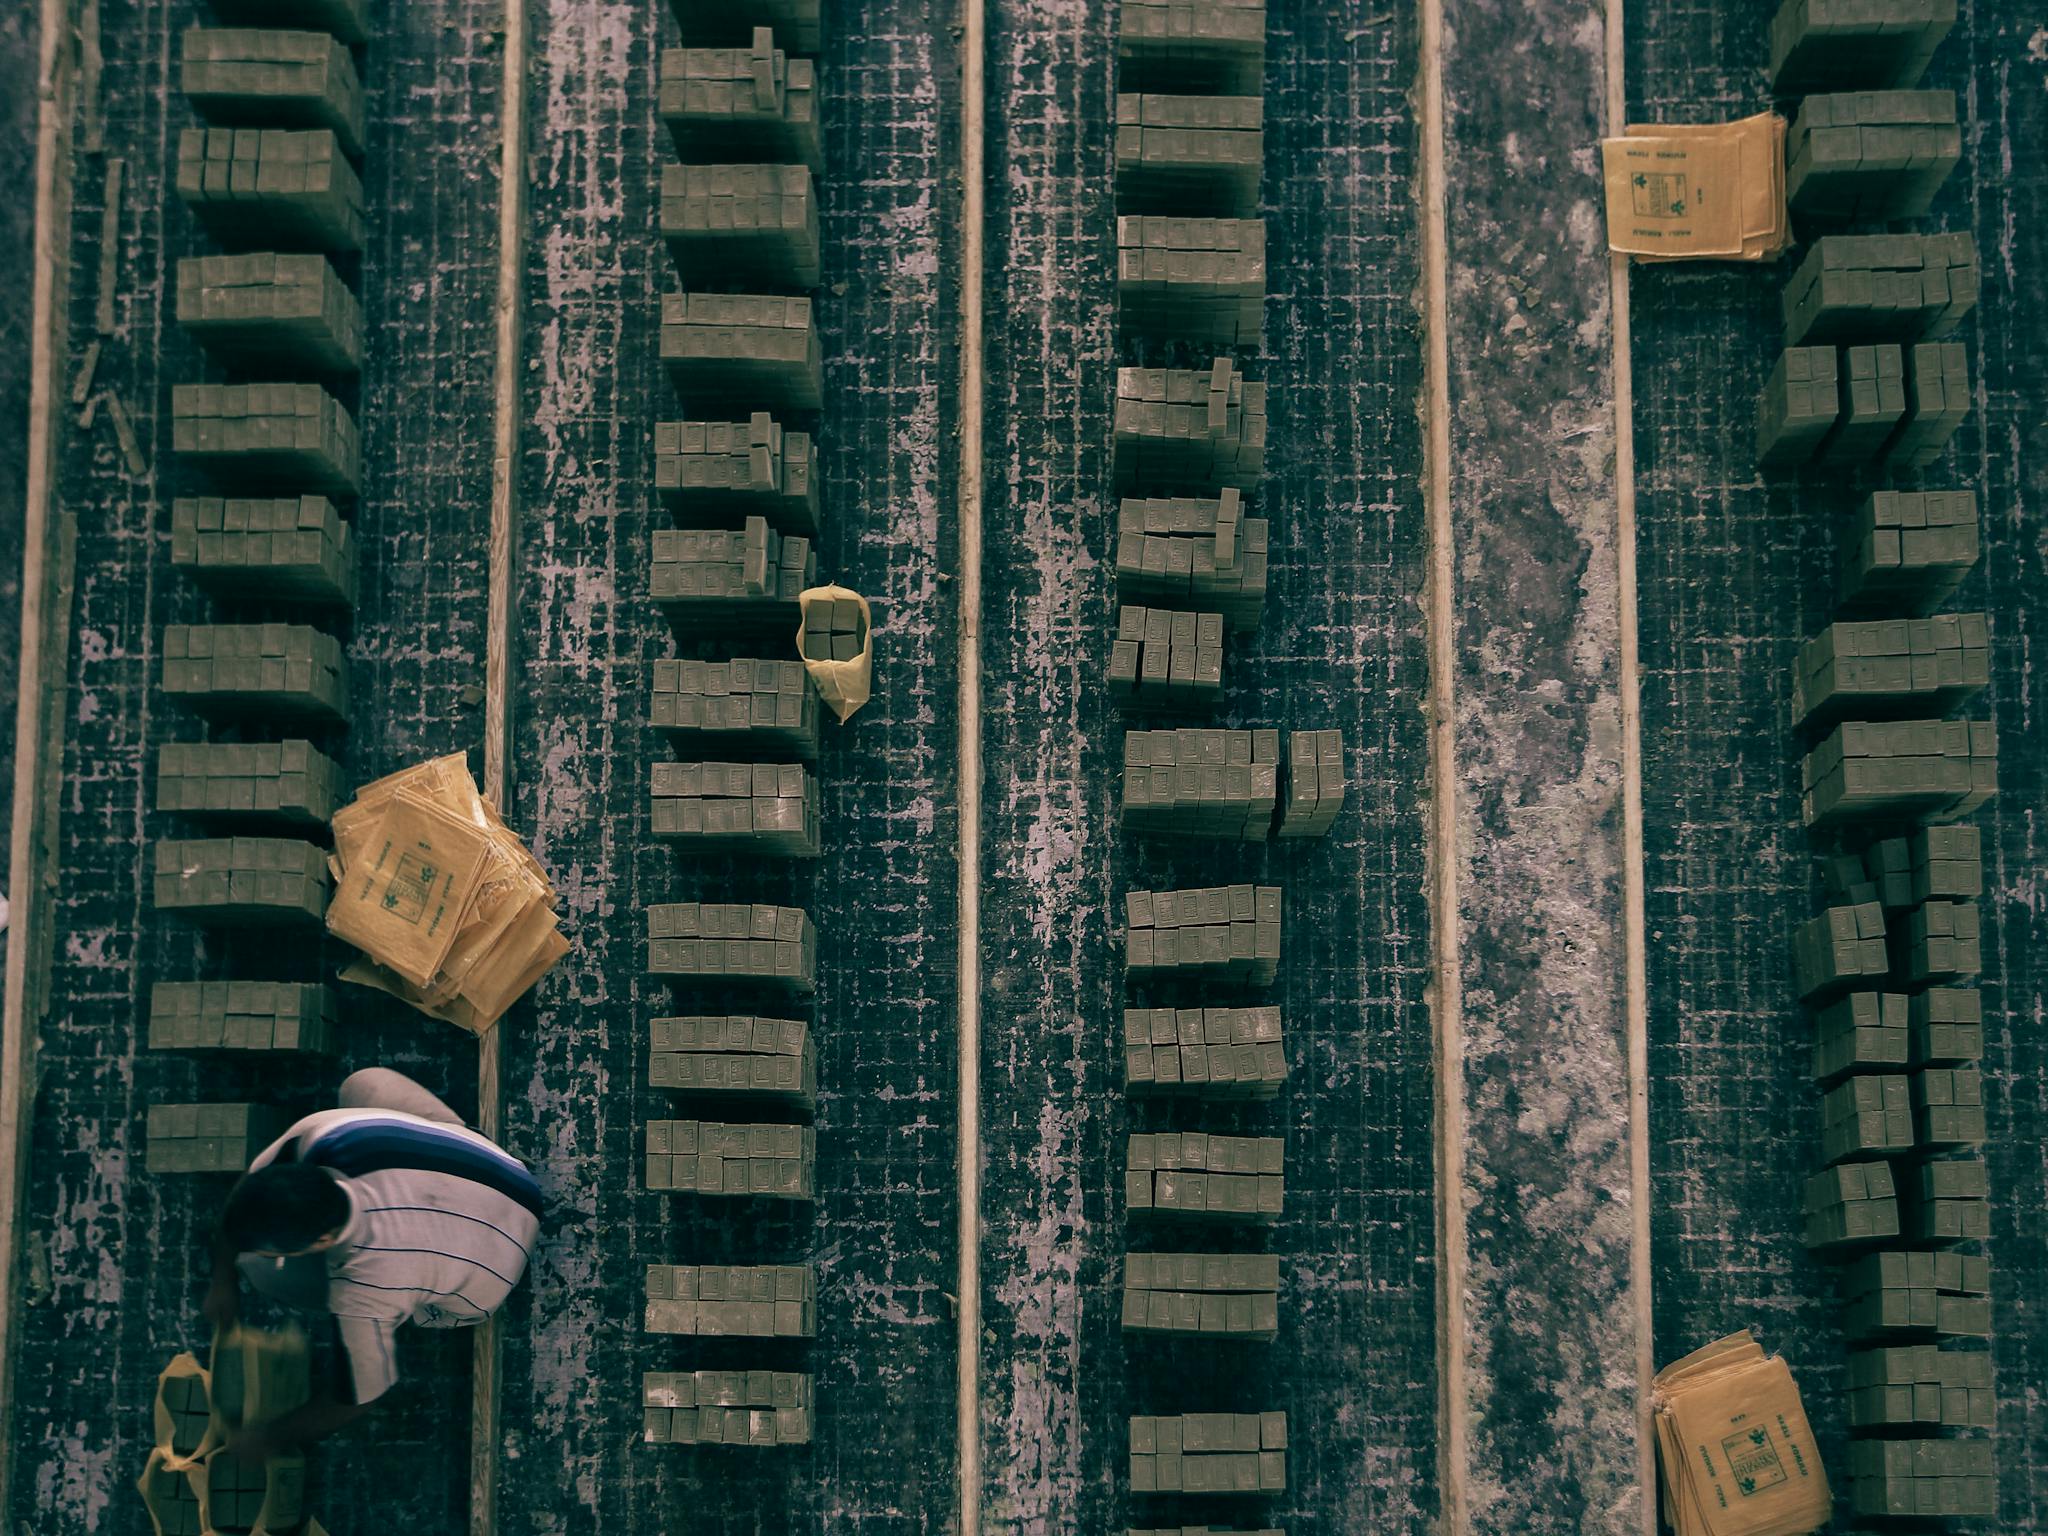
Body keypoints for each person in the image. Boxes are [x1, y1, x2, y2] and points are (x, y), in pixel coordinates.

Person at [202, 1067, 542, 1459]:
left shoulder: (363, 1289)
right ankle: (452, 1148)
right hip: (507, 1176)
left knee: (266, 1275)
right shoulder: (325, 1132)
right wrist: (222, 1278)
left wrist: (267, 1437)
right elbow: (250, 1190)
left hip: (493, 1280)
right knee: (360, 1084)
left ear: (323, 1241)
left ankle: (422, 1288)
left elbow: (356, 1398)